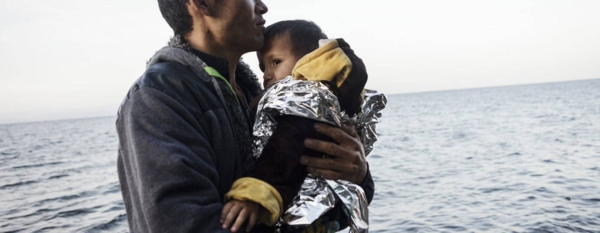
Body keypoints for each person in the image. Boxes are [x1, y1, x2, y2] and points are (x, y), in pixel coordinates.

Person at [116, 0, 374, 232]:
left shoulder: (261, 94)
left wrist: (358, 175)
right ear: (203, 4)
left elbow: (323, 212)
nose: (263, 6)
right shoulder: (159, 97)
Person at [220, 20, 373, 233]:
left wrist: (256, 194)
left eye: (275, 62)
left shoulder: (305, 101)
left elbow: (287, 148)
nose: (266, 75)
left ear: (310, 62)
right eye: (263, 67)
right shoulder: (279, 99)